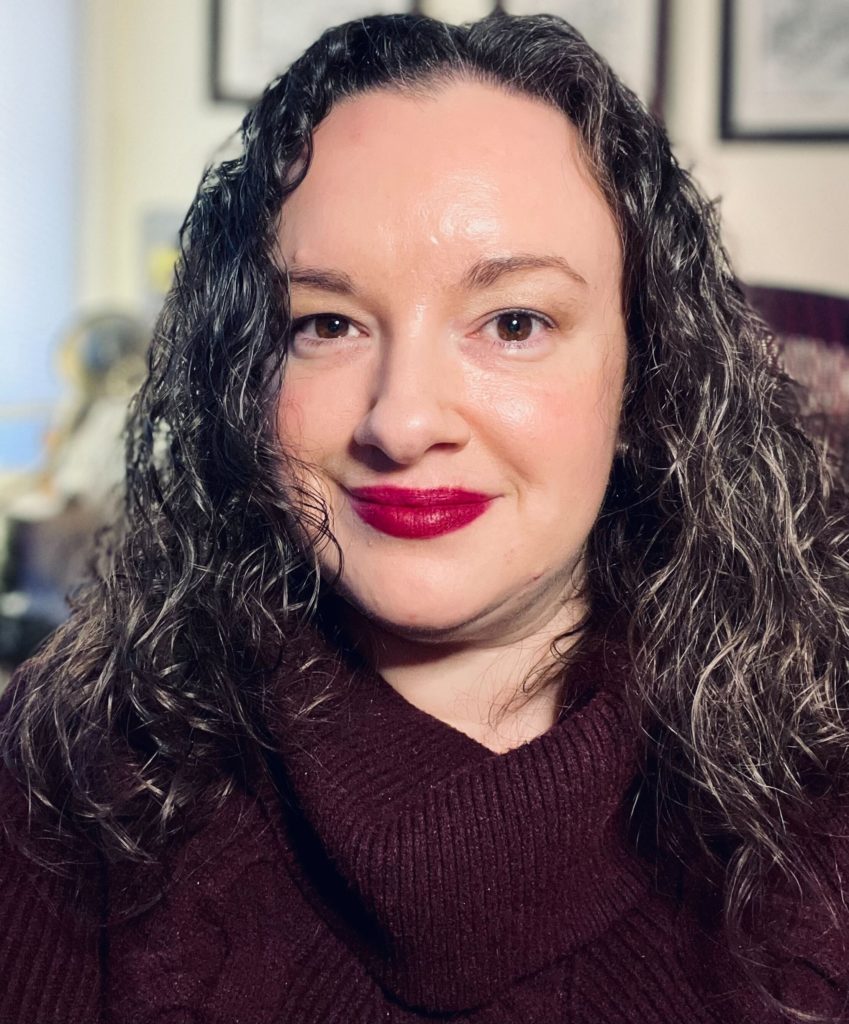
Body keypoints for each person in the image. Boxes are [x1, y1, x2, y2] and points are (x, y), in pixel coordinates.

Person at [1, 12, 847, 1023]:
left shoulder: (820, 807)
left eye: (515, 323)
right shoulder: (65, 775)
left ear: (644, 375)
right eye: (327, 323)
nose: (401, 421)